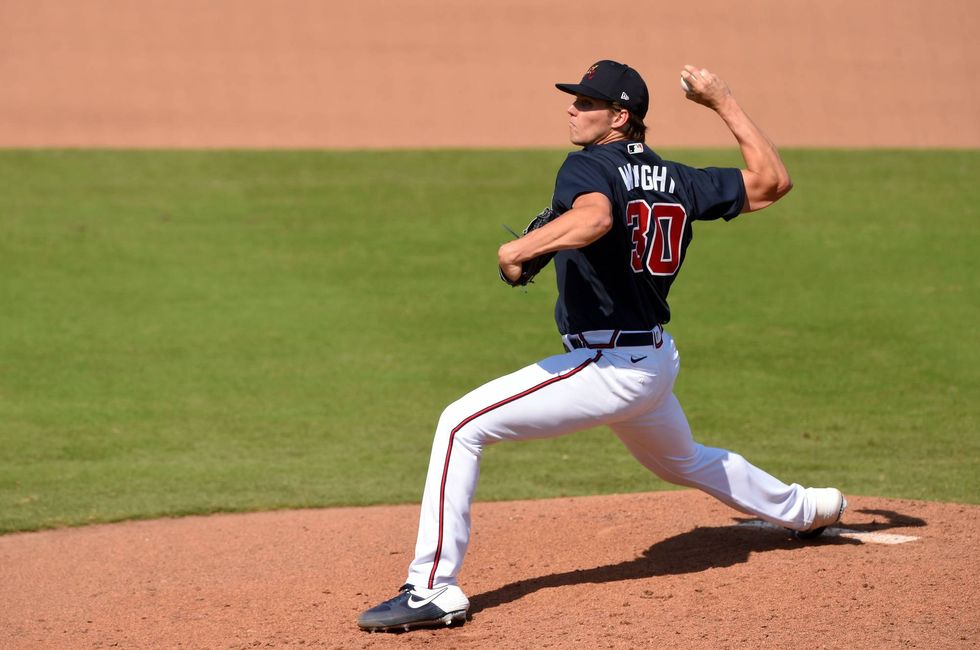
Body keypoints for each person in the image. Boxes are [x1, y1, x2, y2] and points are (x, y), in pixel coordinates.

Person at [357, 60, 846, 633]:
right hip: (655, 362)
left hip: (609, 367)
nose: (572, 108)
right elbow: (770, 182)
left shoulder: (587, 166)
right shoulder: (678, 178)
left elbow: (594, 219)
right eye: (575, 100)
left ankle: (432, 589)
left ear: (620, 117)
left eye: (587, 103)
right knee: (683, 460)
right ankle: (809, 508)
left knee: (461, 425)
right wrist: (723, 102)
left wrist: (517, 252)